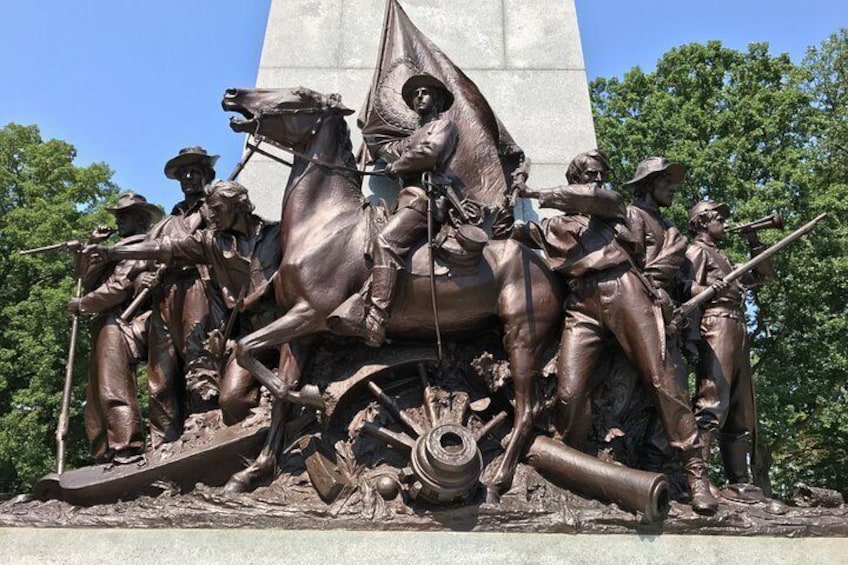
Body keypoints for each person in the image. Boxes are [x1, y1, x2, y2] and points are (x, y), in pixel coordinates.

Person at [514, 152, 718, 514]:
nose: (597, 180)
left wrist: (532, 193)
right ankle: (577, 471)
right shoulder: (560, 227)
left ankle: (696, 473)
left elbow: (595, 198)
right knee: (569, 392)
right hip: (581, 302)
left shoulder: (617, 208)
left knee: (661, 380)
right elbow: (519, 231)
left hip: (624, 289)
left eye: (601, 174)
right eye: (590, 174)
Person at [86, 180, 282, 425]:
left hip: (286, 327)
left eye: (217, 209)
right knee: (231, 400)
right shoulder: (211, 242)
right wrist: (115, 253)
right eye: (209, 209)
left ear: (238, 206)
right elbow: (165, 247)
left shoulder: (278, 234)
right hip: (252, 336)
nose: (211, 215)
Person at [329, 74, 460, 347]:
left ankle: (376, 320)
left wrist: (397, 167)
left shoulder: (443, 126)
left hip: (426, 199)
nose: (419, 97)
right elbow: (391, 149)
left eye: (425, 92)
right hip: (406, 200)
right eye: (416, 94)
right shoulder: (413, 135)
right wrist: (368, 131)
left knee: (386, 241)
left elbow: (429, 153)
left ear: (437, 99)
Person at [682, 200, 774, 501]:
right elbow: (684, 289)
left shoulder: (721, 256)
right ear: (703, 222)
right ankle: (699, 476)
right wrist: (692, 338)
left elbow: (762, 275)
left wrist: (754, 241)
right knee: (713, 400)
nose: (724, 222)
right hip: (716, 323)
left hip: (737, 325)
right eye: (719, 218)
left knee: (739, 405)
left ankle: (740, 480)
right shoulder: (696, 251)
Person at [69, 192, 163, 464]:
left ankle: (126, 446)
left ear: (142, 218)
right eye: (118, 215)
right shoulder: (113, 250)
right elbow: (85, 280)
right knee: (95, 394)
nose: (119, 220)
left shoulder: (142, 247)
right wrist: (92, 246)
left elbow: (118, 288)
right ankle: (103, 450)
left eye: (125, 215)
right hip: (102, 321)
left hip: (119, 321)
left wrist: (82, 304)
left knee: (114, 385)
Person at [144, 146, 226, 445]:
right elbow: (143, 259)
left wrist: (210, 211)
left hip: (198, 287)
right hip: (164, 296)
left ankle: (206, 434)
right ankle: (162, 443)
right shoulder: (167, 221)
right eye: (184, 173)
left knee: (200, 358)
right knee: (160, 373)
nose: (189, 177)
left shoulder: (217, 208)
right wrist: (145, 275)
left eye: (195, 171)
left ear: (208, 175)